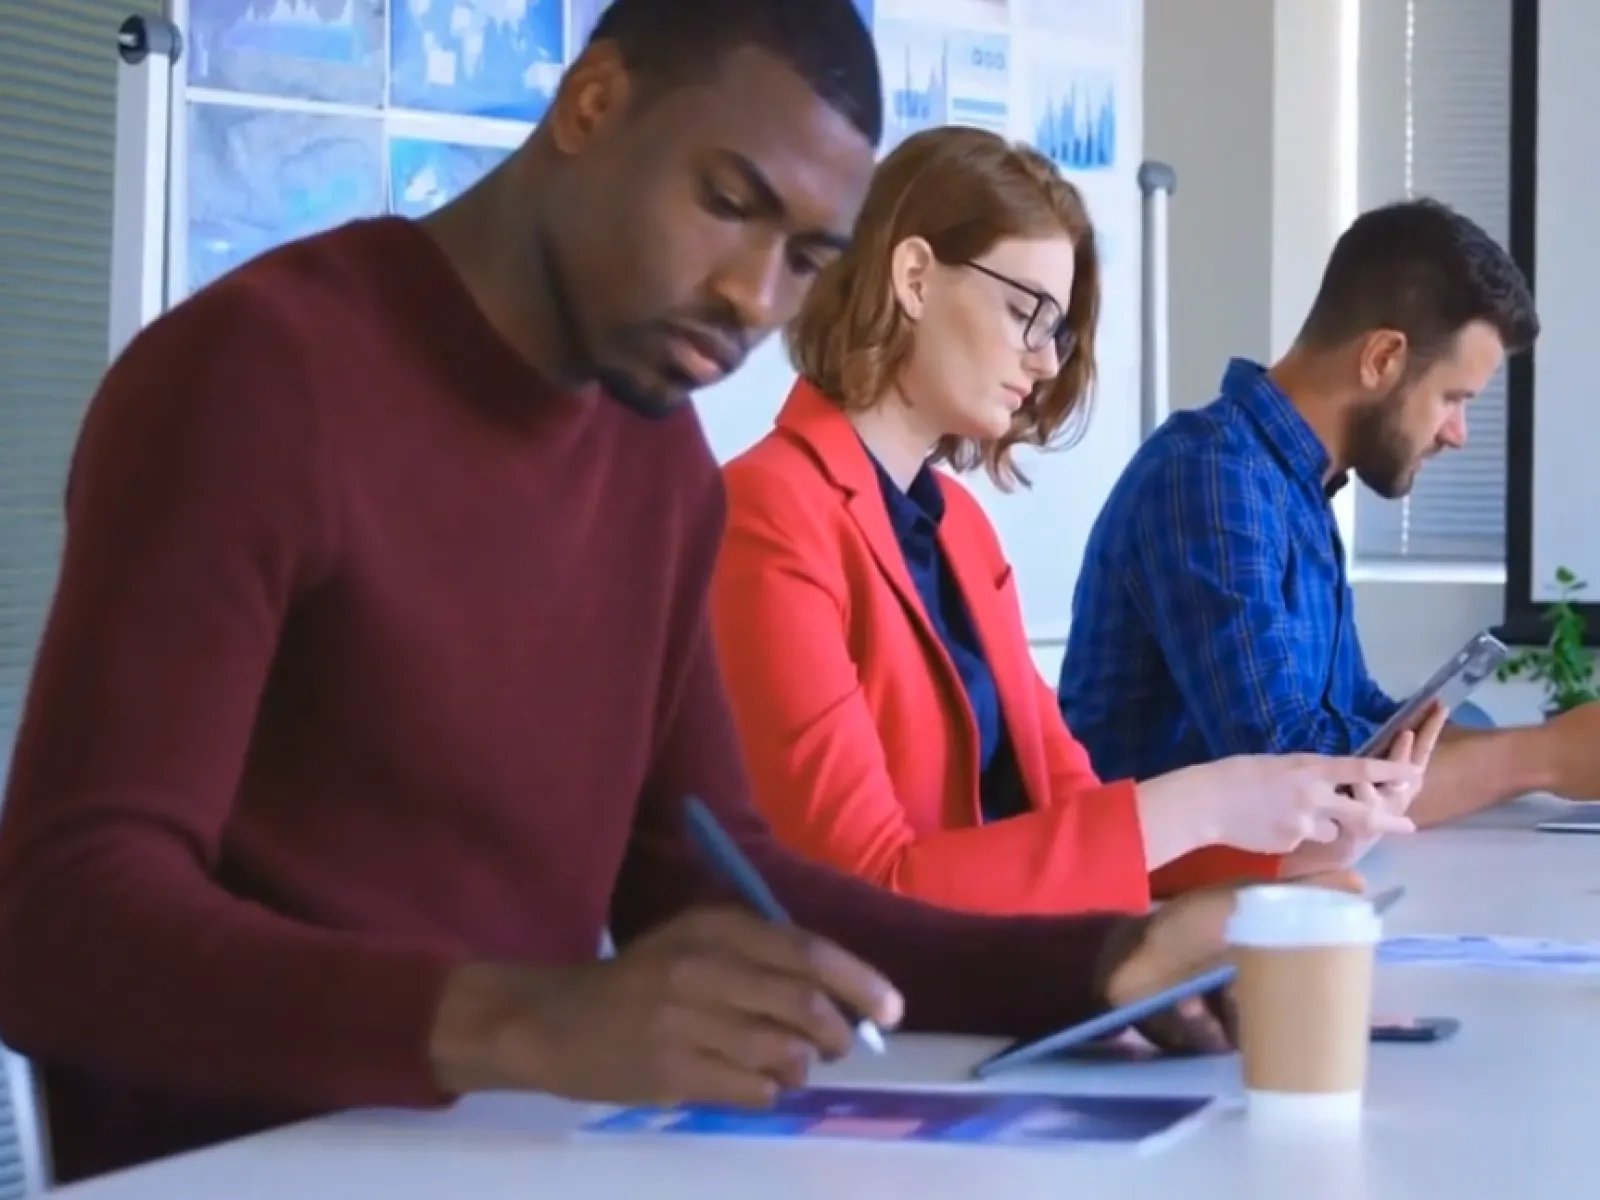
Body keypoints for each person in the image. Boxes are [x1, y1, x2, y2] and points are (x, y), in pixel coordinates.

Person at [0, 1, 1418, 1183]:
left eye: (804, 256)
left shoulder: (655, 460)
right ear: (593, 103)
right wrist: (520, 1023)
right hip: (249, 1164)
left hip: (520, 1152)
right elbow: (62, 923)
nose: (753, 295)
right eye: (727, 202)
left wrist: (1101, 963)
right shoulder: (258, 377)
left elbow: (711, 882)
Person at [710, 127, 1424, 918]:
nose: (1047, 361)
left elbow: (1071, 815)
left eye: (1057, 329)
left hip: (983, 982)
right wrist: (1210, 802)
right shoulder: (764, 513)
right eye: (1026, 312)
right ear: (913, 277)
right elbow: (867, 888)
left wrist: (1296, 842)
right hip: (872, 1020)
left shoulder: (960, 530)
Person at [1058, 196, 1600, 894]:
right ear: (1382, 358)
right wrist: (1546, 757)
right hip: (1146, 920)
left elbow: (1362, 724)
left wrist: (1558, 747)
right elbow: (1297, 780)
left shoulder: (1297, 487)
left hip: (1249, 899)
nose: (1457, 432)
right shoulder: (1211, 480)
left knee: (1472, 720)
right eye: (1453, 398)